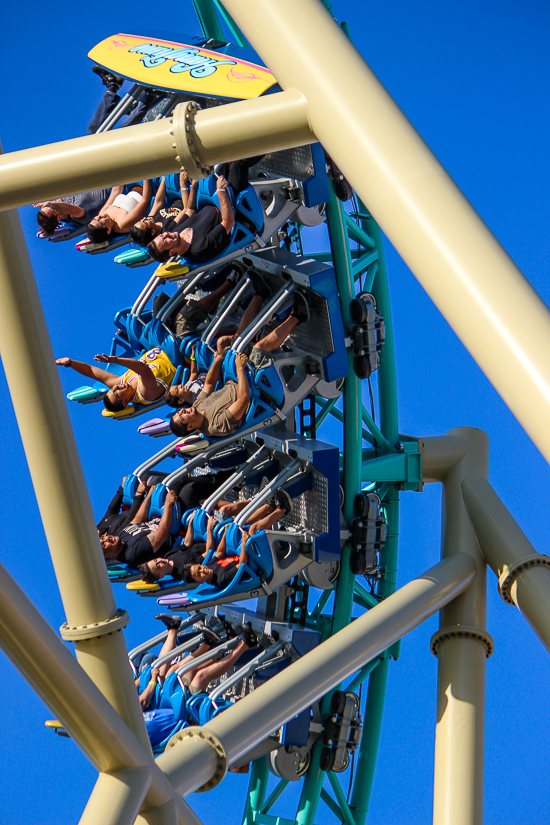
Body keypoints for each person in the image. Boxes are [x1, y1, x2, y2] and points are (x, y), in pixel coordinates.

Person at [169, 291, 310, 438]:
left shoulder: (197, 407)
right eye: (183, 416)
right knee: (259, 349)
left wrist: (217, 361)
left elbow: (209, 384)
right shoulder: (215, 426)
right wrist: (240, 368)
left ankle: (259, 293)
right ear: (191, 426)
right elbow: (243, 400)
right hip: (257, 390)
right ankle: (298, 316)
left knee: (236, 341)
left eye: (180, 411)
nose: (184, 411)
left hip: (237, 378)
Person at [147, 158, 261, 265]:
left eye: (162, 234)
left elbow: (190, 210)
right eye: (165, 240)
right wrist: (220, 191)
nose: (167, 234)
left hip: (217, 198)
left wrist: (194, 185)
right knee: (238, 163)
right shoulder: (199, 248)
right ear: (172, 252)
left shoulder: (176, 232)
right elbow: (228, 222)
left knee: (219, 159)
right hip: (235, 209)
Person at [56, 346, 177, 412]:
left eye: (112, 389)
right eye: (116, 392)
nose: (116, 387)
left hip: (160, 344)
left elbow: (90, 371)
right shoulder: (145, 394)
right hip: (176, 353)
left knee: (159, 302)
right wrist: (117, 360)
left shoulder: (121, 383)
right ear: (125, 402)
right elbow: (144, 369)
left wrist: (70, 363)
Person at [99, 488, 178, 567]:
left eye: (103, 538)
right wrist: (168, 503)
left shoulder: (120, 537)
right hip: (174, 527)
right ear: (107, 555)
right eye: (105, 544)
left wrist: (149, 495)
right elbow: (163, 532)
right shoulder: (132, 553)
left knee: (156, 484)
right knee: (184, 490)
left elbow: (137, 520)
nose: (107, 539)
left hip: (161, 517)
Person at [129, 172, 191, 247]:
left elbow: (158, 202)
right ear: (152, 231)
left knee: (170, 177)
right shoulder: (167, 230)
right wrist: (183, 184)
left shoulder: (151, 219)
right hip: (188, 198)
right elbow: (186, 209)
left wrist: (164, 178)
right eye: (145, 222)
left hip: (177, 196)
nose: (145, 218)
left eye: (141, 220)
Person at [86, 180, 154, 244]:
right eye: (100, 221)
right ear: (108, 230)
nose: (99, 216)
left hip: (134, 185)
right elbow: (145, 200)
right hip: (150, 187)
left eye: (95, 218)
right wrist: (146, 177)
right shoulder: (122, 225)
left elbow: (116, 191)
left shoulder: (102, 213)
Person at [34, 190, 111, 235]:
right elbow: (71, 209)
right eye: (52, 208)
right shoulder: (77, 218)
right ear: (59, 218)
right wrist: (51, 204)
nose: (53, 201)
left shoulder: (63, 195)